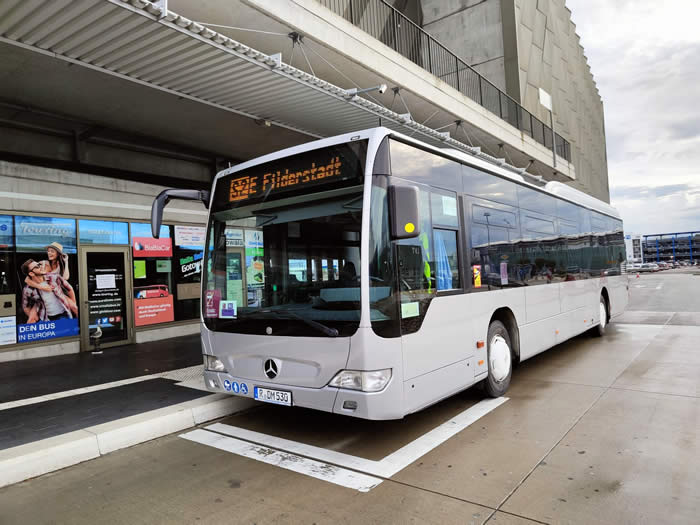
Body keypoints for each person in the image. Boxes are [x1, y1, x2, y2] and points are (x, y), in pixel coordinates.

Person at [21, 258, 77, 323]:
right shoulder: (27, 289)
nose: (41, 266)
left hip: (63, 314)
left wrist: (73, 304)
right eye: (37, 266)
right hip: (46, 319)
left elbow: (69, 288)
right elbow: (25, 306)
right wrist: (36, 318)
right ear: (31, 273)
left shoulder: (54, 277)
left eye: (39, 264)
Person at [23, 242, 76, 306]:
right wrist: (41, 287)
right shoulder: (42, 264)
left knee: (73, 306)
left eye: (52, 251)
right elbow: (27, 280)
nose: (49, 253)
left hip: (57, 293)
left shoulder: (60, 265)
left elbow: (65, 278)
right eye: (48, 251)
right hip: (44, 294)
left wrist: (66, 261)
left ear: (58, 254)